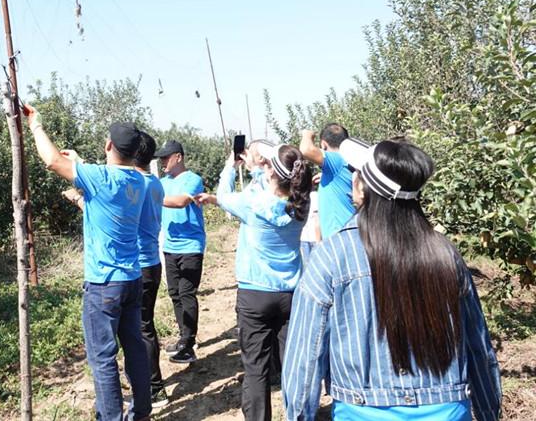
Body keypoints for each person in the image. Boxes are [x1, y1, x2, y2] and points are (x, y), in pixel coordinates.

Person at [282, 138, 501, 421]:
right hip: (447, 411)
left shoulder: (332, 256)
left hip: (362, 412)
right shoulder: (446, 254)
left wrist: (299, 415)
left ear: (360, 187)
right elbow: (479, 348)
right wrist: (487, 413)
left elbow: (305, 358)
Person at [24, 104, 151, 421]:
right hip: (132, 280)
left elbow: (52, 160)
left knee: (103, 357)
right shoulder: (139, 182)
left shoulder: (101, 179)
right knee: (134, 348)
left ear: (108, 145)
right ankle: (142, 412)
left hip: (104, 285)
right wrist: (80, 166)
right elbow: (105, 201)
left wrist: (36, 125)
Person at [197, 143, 312, 421]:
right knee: (293, 365)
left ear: (272, 172)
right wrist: (259, 169)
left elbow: (223, 195)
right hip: (291, 294)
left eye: (268, 164)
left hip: (255, 296)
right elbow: (274, 184)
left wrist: (231, 166)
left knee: (256, 368)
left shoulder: (252, 203)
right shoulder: (301, 204)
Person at [155, 139, 205, 365]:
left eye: (166, 157)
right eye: (161, 158)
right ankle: (184, 337)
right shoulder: (162, 182)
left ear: (178, 157)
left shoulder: (193, 180)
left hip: (191, 246)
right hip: (170, 246)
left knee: (187, 293)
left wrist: (153, 198)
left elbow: (181, 202)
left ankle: (189, 343)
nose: (162, 161)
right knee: (175, 294)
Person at [134, 132, 169, 407]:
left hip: (141, 265)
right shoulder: (155, 183)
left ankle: (155, 389)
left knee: (142, 328)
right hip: (151, 262)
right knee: (146, 326)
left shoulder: (137, 185)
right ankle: (152, 386)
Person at [299, 124, 354, 239]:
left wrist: (307, 134)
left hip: (338, 234)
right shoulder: (349, 161)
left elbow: (306, 149)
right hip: (349, 232)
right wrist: (325, 176)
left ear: (323, 144)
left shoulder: (336, 159)